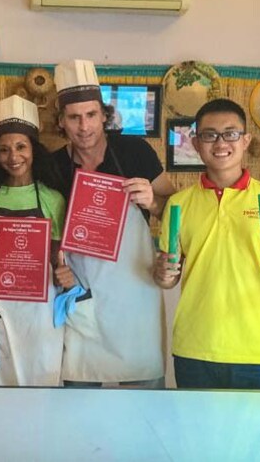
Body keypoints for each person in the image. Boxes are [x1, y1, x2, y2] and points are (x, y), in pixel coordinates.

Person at [154, 98, 260, 390]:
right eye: (209, 135)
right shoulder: (179, 203)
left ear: (245, 140)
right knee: (195, 436)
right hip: (194, 347)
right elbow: (168, 278)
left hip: (257, 351)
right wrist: (163, 274)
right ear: (196, 142)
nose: (220, 142)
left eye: (230, 133)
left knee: (257, 437)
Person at [50, 59, 175, 387]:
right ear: (61, 121)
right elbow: (47, 227)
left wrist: (152, 200)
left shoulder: (134, 151)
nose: (84, 126)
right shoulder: (53, 166)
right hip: (83, 293)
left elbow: (174, 209)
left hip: (135, 291)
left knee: (143, 395)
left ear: (103, 115)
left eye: (91, 115)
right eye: (74, 117)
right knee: (78, 395)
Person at [0, 94, 69, 386]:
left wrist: (63, 273)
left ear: (34, 149)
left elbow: (60, 258)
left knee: (38, 400)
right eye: (4, 150)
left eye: (21, 147)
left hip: (40, 318)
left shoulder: (52, 198)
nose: (13, 157)